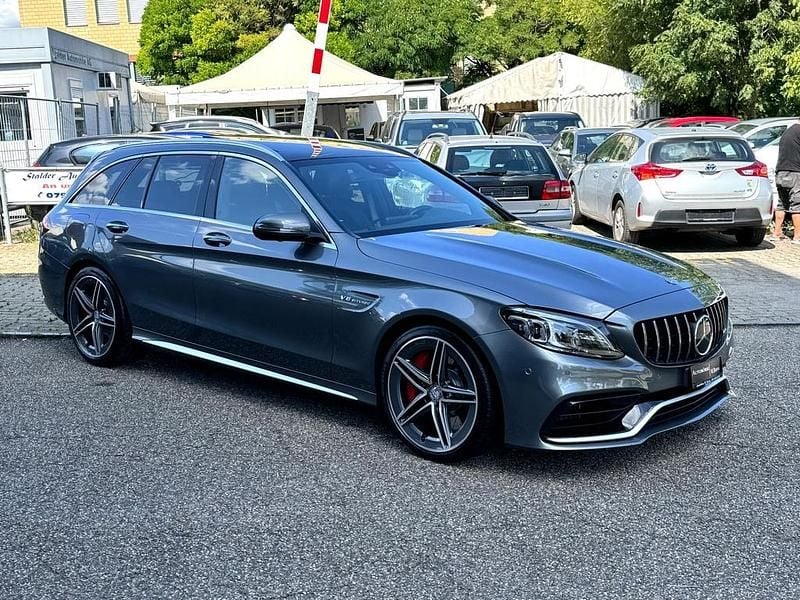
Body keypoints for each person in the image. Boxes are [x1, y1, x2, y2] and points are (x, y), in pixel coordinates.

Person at [773, 121, 800, 244]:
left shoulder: (788, 132)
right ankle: (797, 236)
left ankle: (777, 232)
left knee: (782, 204)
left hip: (780, 171)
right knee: (797, 205)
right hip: (794, 172)